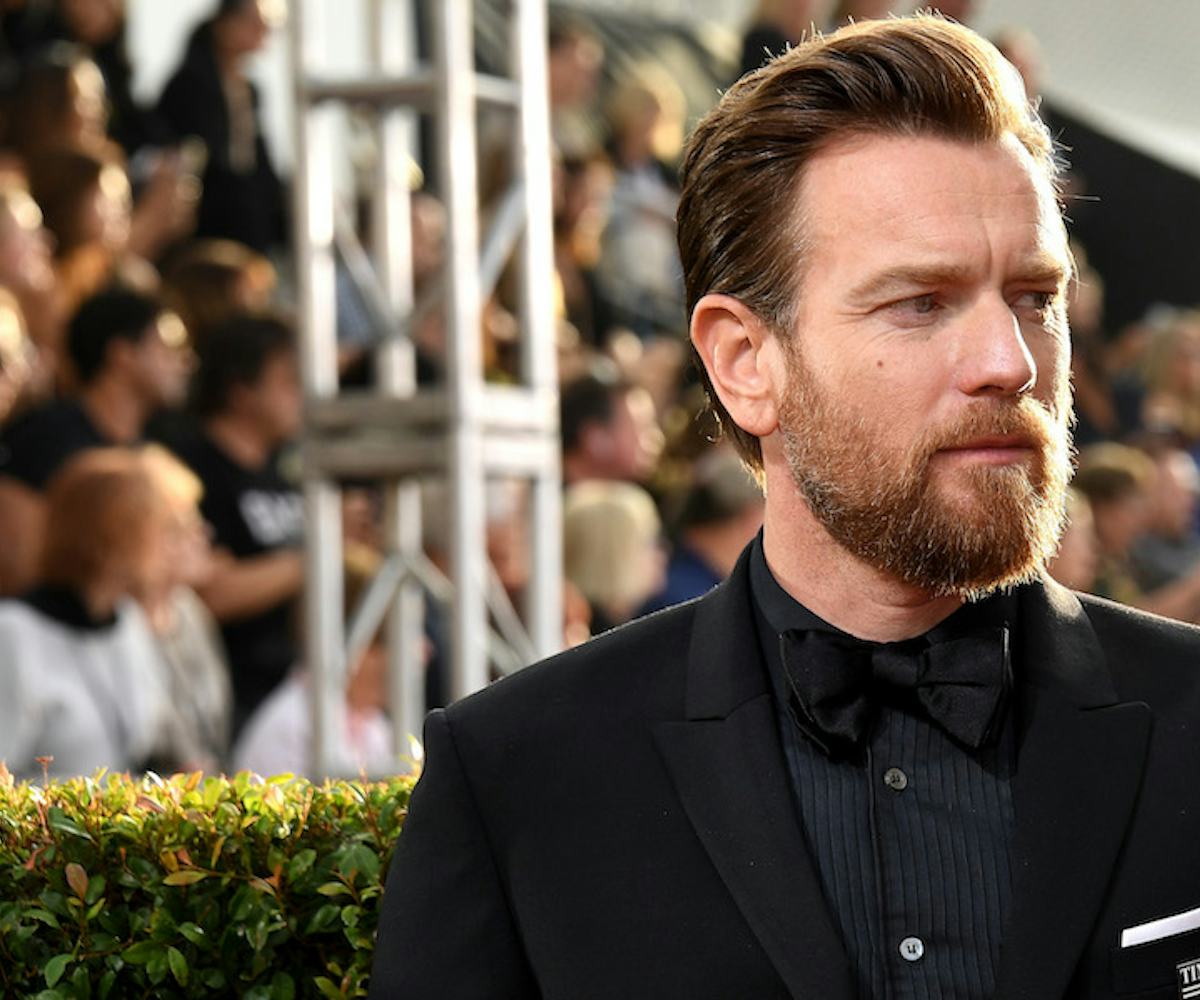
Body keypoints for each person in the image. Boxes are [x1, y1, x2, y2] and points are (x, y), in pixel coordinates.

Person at [370, 16, 1200, 1000]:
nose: (1010, 363)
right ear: (743, 363)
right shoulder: (521, 777)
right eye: (922, 301)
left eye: (1033, 295)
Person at [0, 285, 188, 594]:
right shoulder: (45, 437)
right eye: (168, 344)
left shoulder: (155, 450)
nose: (183, 360)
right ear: (123, 354)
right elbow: (16, 561)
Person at [0, 448, 172, 780]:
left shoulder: (128, 622)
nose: (171, 546)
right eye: (161, 529)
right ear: (110, 537)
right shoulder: (12, 632)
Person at [171, 311, 303, 735]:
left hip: (292, 693)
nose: (304, 395)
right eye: (288, 381)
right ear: (241, 390)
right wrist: (312, 557)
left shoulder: (285, 474)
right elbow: (207, 594)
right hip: (228, 697)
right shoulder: (190, 469)